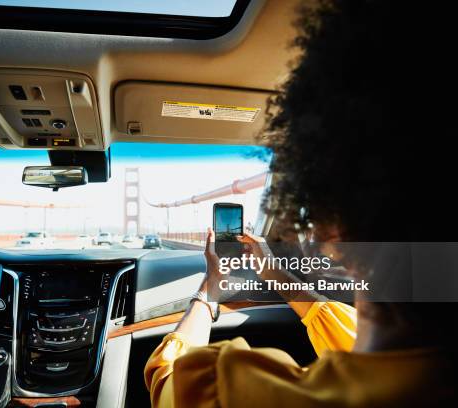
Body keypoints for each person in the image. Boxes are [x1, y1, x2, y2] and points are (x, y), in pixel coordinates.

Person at [144, 0, 457, 406]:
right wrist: (276, 277)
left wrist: (210, 291)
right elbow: (340, 329)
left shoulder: (229, 392)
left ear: (329, 223)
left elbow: (165, 382)